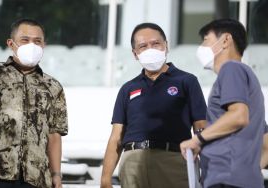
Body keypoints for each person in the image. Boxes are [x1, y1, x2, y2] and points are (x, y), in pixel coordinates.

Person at [100, 22, 207, 188]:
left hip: (173, 160)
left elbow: (201, 126)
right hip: (133, 161)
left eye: (156, 43)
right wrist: (105, 179)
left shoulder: (187, 81)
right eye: (143, 46)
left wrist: (204, 163)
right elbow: (116, 137)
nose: (150, 49)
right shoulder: (128, 88)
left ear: (166, 46)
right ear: (135, 54)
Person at [0, 18, 68, 188]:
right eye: (25, 40)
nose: (31, 45)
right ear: (11, 43)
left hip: (36, 178)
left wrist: (56, 174)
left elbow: (54, 134)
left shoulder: (53, 87)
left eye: (37, 41)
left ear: (44, 45)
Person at [180, 18, 266, 188]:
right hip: (242, 180)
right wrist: (247, 172)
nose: (202, 47)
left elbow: (238, 116)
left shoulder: (231, 69)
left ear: (225, 40)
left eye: (206, 39)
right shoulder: (247, 78)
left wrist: (198, 140)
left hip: (225, 179)